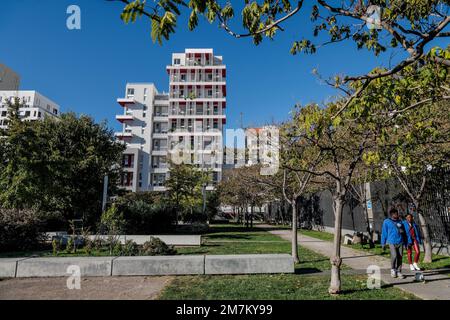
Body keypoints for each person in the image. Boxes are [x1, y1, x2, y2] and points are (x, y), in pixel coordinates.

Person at [381, 207, 408, 278]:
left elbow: (404, 233)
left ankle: (399, 271)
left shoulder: (400, 221)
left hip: (400, 241)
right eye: (395, 214)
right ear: (392, 214)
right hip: (391, 242)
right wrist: (383, 243)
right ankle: (393, 269)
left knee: (400, 257)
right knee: (394, 255)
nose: (397, 215)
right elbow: (384, 233)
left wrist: (406, 243)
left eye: (397, 213)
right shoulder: (386, 221)